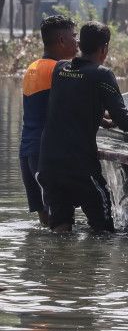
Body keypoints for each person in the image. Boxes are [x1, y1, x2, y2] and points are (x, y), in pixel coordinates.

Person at [38, 21, 128, 234]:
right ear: (104, 48)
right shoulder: (102, 75)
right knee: (103, 229)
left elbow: (70, 105)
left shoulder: (60, 69)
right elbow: (124, 121)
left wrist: (100, 118)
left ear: (79, 44)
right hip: (79, 166)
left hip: (49, 164)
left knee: (60, 229)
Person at [20, 15, 78, 226]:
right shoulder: (61, 69)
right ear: (61, 40)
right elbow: (77, 109)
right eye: (74, 36)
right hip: (47, 156)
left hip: (27, 153)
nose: (77, 41)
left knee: (46, 225)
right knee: (62, 225)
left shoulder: (32, 68)